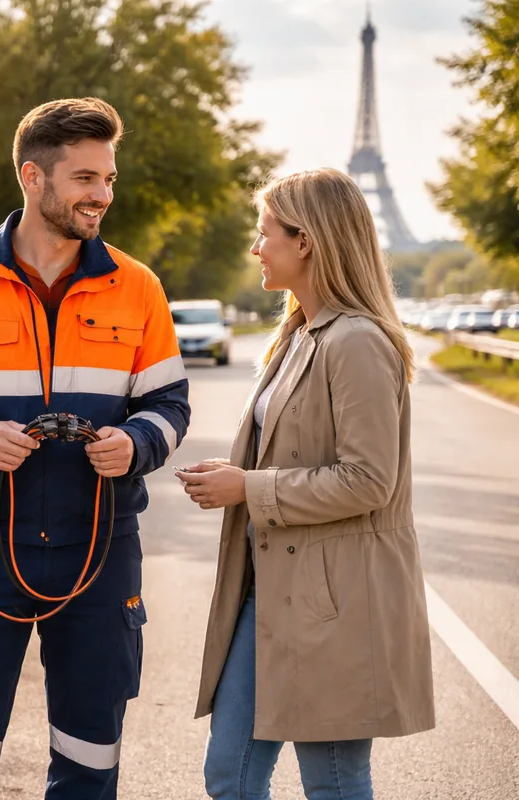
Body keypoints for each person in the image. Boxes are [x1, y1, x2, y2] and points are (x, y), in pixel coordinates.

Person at [0, 97, 190, 799]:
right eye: (85, 178)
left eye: (108, 179)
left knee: (90, 758)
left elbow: (169, 405)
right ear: (34, 177)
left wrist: (137, 442)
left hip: (103, 546)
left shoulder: (137, 287)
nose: (102, 196)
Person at [177, 168, 435, 800]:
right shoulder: (294, 335)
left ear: (307, 240)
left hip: (336, 600)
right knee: (229, 777)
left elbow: (370, 480)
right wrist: (239, 477)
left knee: (333, 781)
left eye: (264, 232)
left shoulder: (356, 342)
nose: (255, 247)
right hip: (268, 590)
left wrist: (250, 489)